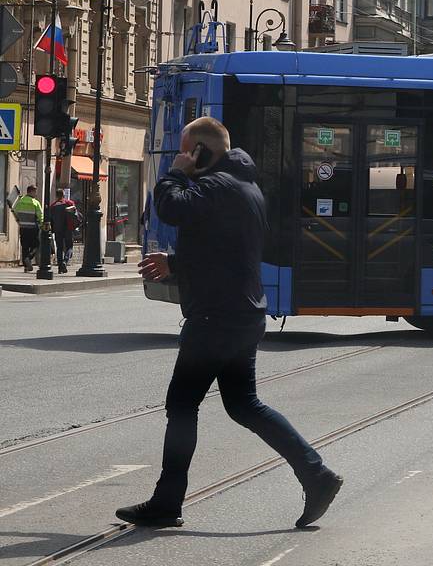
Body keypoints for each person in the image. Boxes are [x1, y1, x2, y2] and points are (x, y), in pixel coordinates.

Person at [118, 117, 342, 530]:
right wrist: (177, 263)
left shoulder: (215, 185)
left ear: (202, 151)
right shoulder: (244, 187)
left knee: (183, 406)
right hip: (241, 313)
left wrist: (174, 173)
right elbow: (225, 251)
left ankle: (167, 504)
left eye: (187, 150)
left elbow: (170, 208)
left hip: (215, 318)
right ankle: (316, 474)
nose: (182, 157)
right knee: (244, 404)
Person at [47, 189, 81, 273]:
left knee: (59, 248)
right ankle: (65, 262)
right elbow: (75, 215)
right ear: (63, 195)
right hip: (68, 228)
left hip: (58, 229)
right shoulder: (69, 203)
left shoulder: (53, 206)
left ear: (56, 196)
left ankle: (60, 267)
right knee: (69, 247)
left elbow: (50, 219)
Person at [12, 186, 43, 272]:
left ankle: (26, 267)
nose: (36, 194)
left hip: (23, 228)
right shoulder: (35, 202)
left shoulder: (20, 201)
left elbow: (15, 212)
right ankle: (29, 258)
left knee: (24, 246)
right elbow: (40, 215)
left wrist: (19, 221)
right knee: (36, 245)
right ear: (31, 192)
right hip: (33, 228)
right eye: (35, 192)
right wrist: (42, 224)